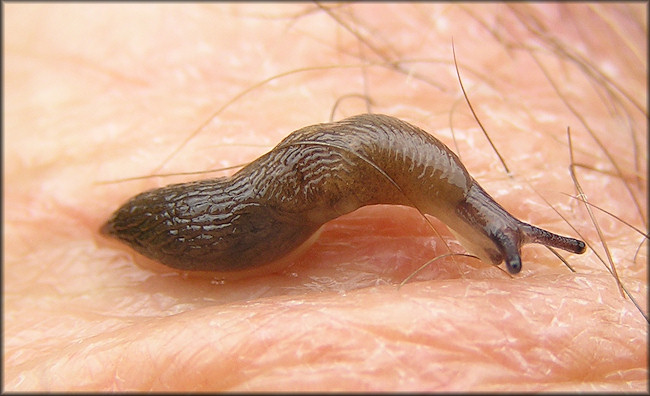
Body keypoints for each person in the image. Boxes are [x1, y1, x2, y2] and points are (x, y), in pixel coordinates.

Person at [4, 3, 646, 391]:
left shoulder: (348, 168)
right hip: (215, 213)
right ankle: (143, 228)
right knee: (238, 208)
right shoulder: (318, 175)